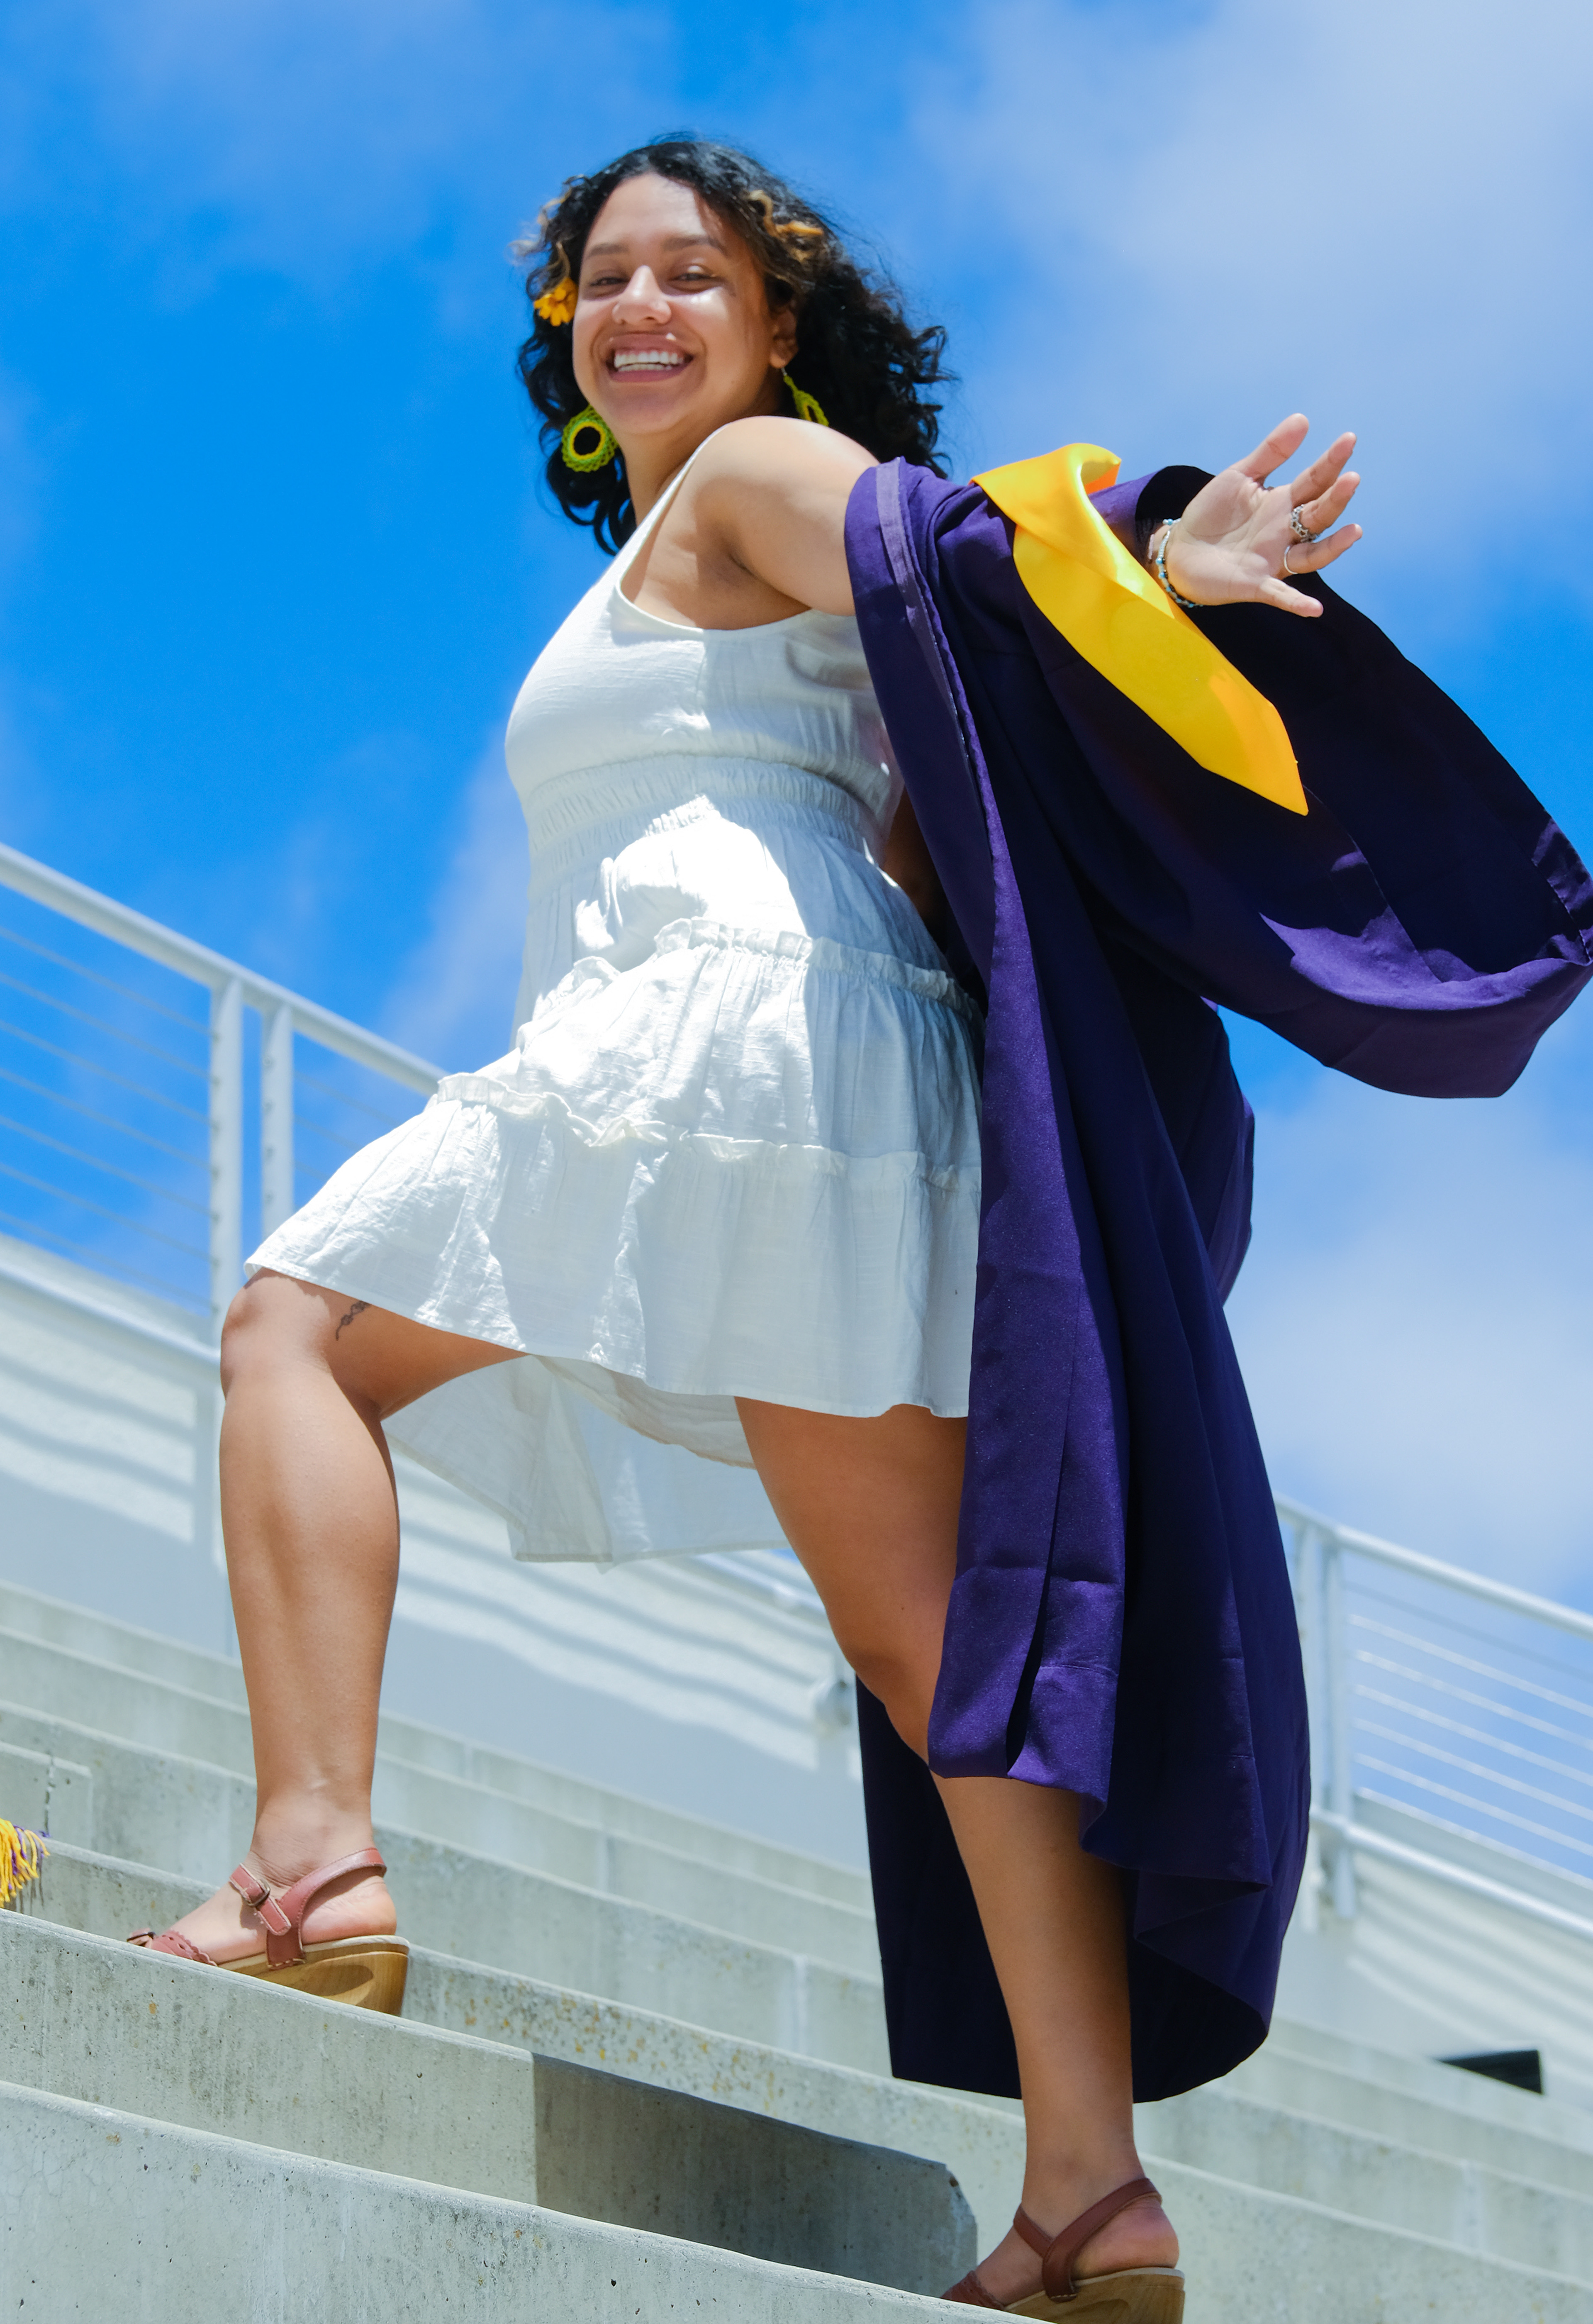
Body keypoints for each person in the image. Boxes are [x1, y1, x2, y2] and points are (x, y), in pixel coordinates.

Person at [127, 137, 1592, 2322]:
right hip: (833, 1078)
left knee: (291, 1335)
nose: (640, 308)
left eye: (692, 274)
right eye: (604, 280)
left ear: (779, 323)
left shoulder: (750, 482)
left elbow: (941, 542)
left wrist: (1147, 555)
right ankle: (1088, 2195)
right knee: (924, 1653)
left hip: (718, 1028)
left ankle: (308, 1866)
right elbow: (937, 783)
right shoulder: (695, 560)